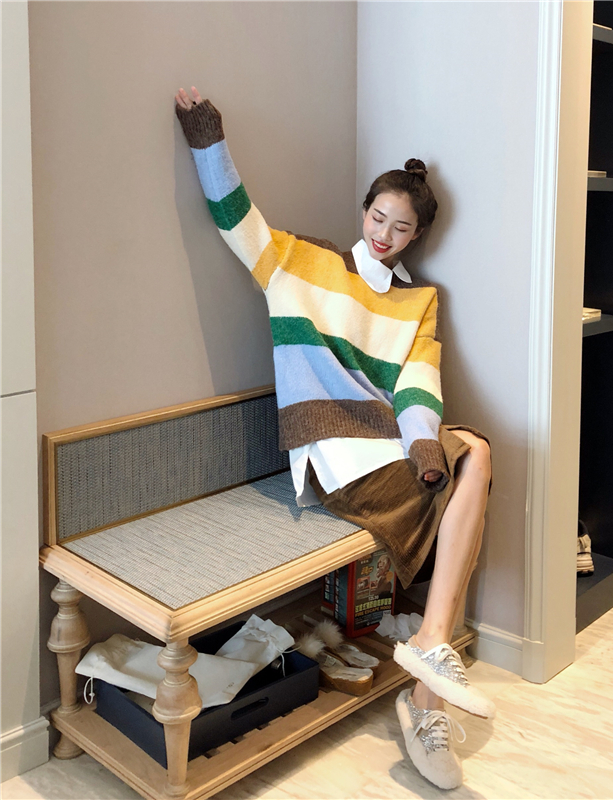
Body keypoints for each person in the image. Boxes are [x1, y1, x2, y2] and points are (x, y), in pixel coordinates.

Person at [175, 86, 493, 790]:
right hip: (334, 457)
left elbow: (417, 384)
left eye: (401, 228)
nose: (384, 234)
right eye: (377, 217)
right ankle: (429, 668)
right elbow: (236, 219)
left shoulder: (419, 301)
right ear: (364, 211)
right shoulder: (301, 263)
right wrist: (206, 136)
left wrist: (424, 447)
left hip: (391, 449)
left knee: (474, 457)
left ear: (416, 236)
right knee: (476, 463)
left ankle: (428, 665)